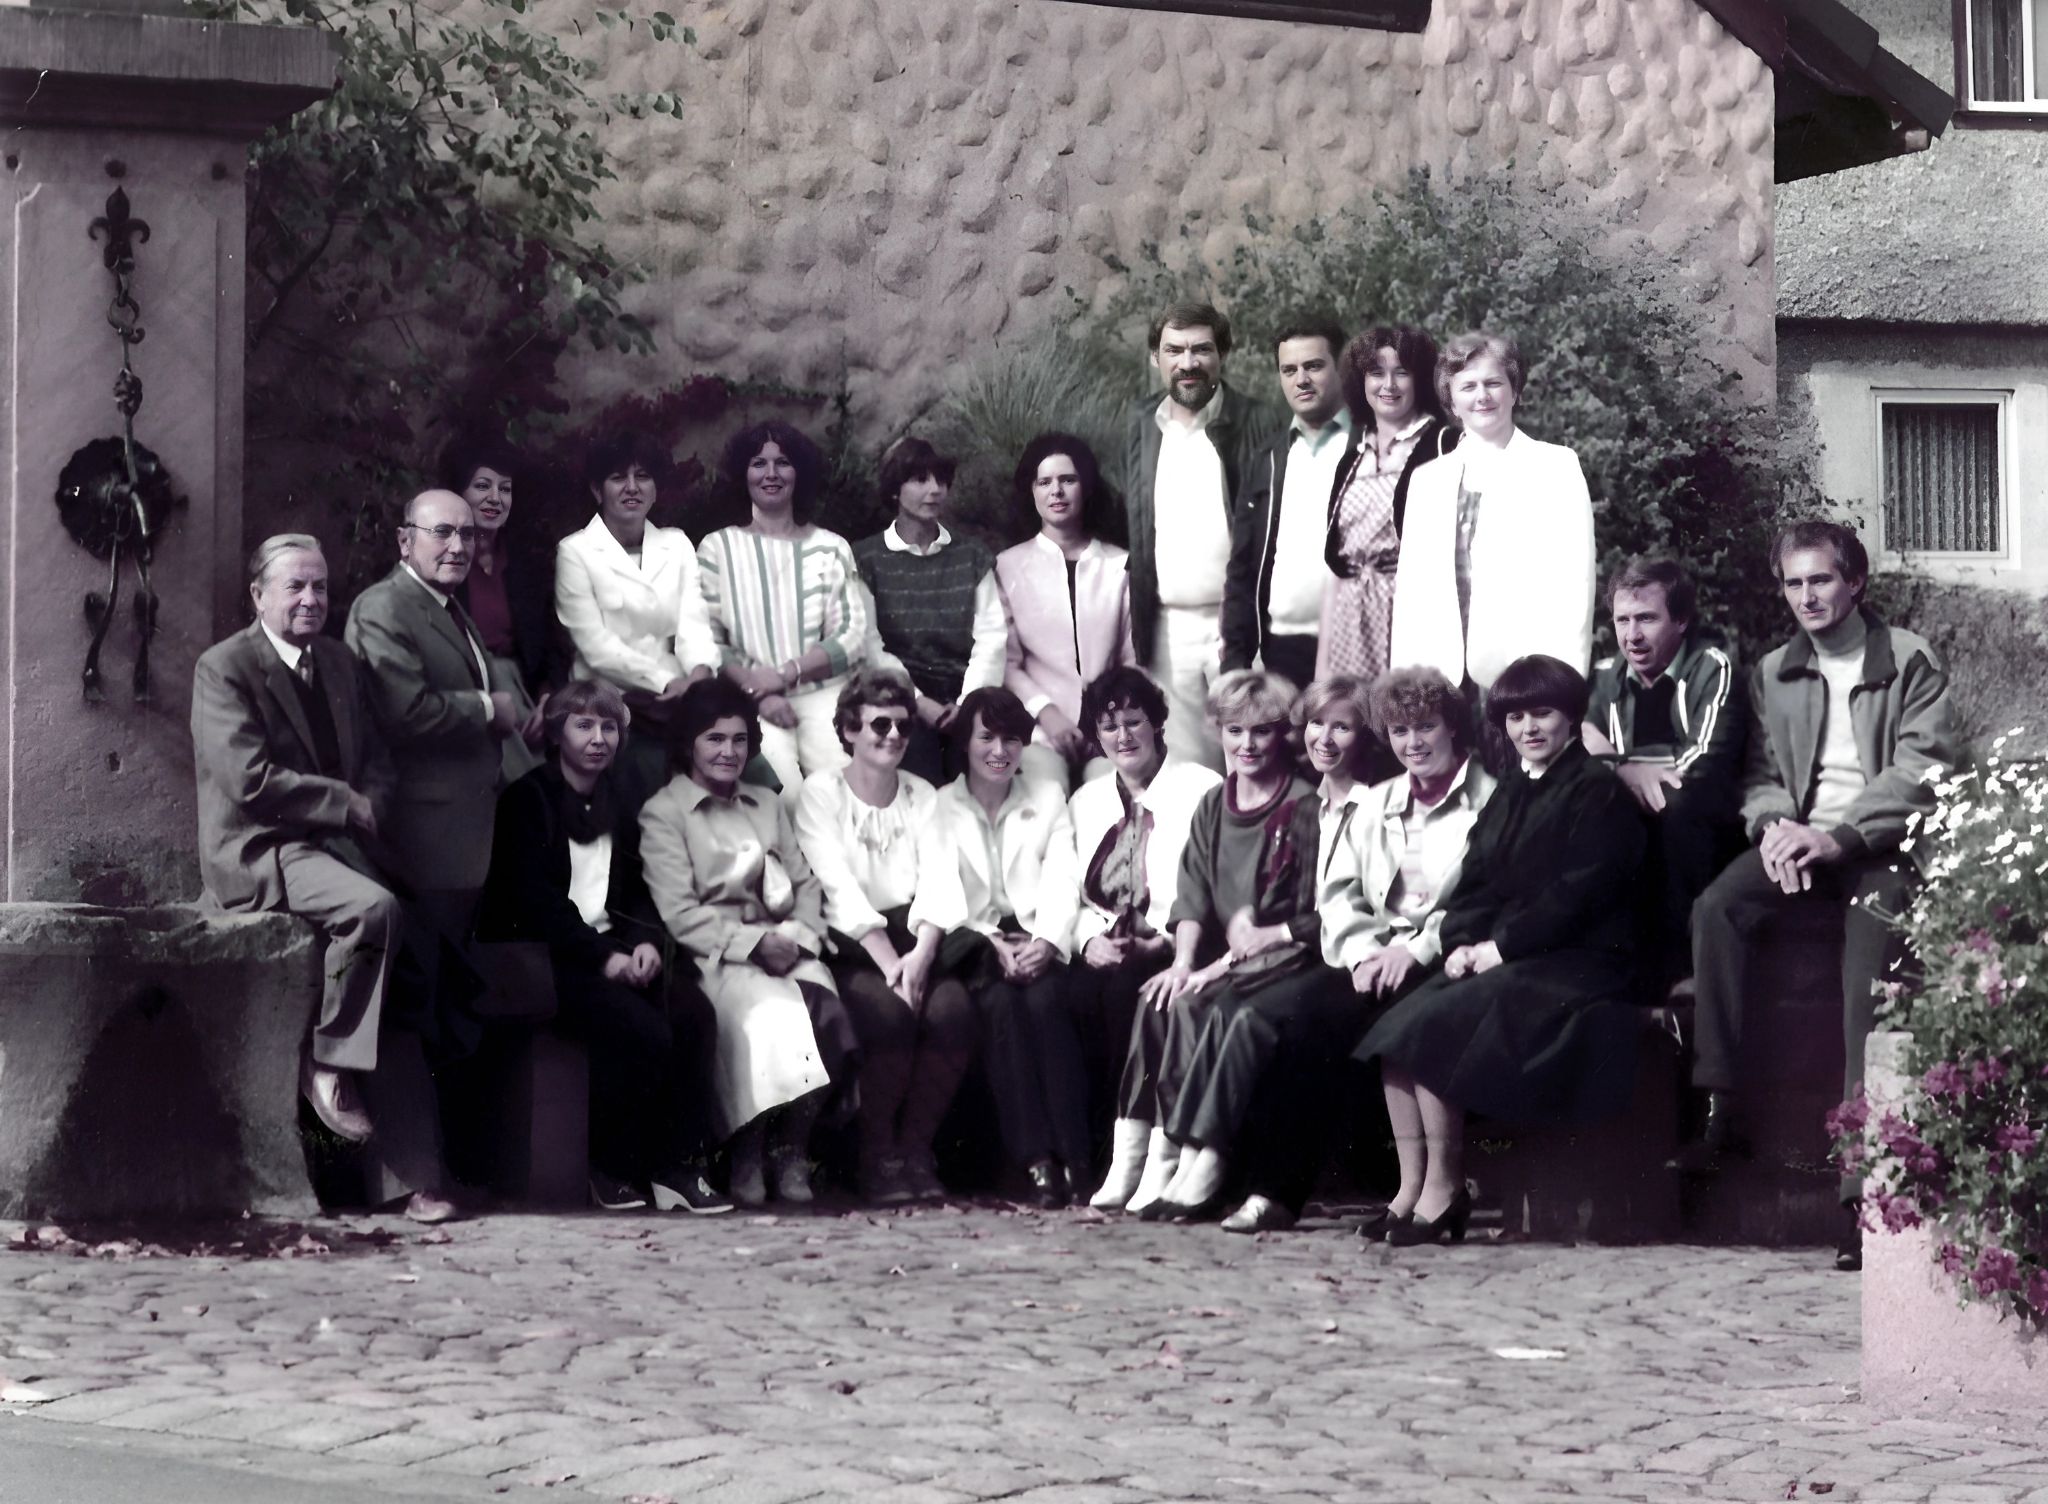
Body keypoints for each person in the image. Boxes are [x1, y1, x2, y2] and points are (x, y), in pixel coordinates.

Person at [1676, 520, 1959, 1272]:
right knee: (1719, 908)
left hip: (1879, 850)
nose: (1807, 596)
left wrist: (1839, 837)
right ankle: (1723, 1108)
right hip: (1798, 845)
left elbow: (1921, 770)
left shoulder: (1906, 660)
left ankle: (1861, 1197)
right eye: (1794, 583)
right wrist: (1773, 826)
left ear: (1855, 581)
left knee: (1866, 983)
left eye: (1822, 580)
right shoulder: (1775, 669)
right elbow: (1761, 772)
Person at [1354, 654, 1646, 1245]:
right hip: (1517, 952)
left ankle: (1446, 1186)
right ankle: (1411, 1188)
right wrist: (1460, 943)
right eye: (1515, 717)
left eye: (1543, 713)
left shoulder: (1595, 790)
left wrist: (1498, 949)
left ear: (1570, 718)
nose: (1528, 729)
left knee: (1438, 1025)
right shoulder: (1513, 786)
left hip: (1582, 959)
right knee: (1398, 1029)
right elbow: (1479, 878)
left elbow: (1578, 896)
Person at [474, 678, 732, 1215]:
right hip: (546, 959)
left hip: (608, 948)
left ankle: (677, 1167)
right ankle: (612, 1165)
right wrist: (602, 958)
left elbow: (636, 889)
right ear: (556, 732)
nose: (599, 739)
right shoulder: (527, 799)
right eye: (584, 725)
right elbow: (534, 901)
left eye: (609, 727)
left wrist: (643, 944)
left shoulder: (619, 800)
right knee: (637, 1029)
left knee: (693, 1014)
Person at [191, 535, 397, 1152]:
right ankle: (327, 1062)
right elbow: (248, 779)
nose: (312, 600)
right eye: (295, 587)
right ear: (258, 595)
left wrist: (372, 803)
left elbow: (379, 758)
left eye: (321, 587)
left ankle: (411, 1173)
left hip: (337, 842)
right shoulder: (224, 667)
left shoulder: (338, 663)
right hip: (263, 846)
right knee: (374, 910)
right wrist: (344, 803)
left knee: (431, 934)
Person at [637, 677, 858, 1206]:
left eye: (739, 740)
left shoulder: (766, 805)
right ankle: (747, 1149)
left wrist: (799, 940)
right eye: (714, 739)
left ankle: (792, 1147)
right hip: (717, 954)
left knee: (825, 1009)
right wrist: (754, 947)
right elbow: (680, 913)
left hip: (786, 944)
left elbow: (805, 884)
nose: (728, 752)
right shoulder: (664, 813)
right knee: (767, 1022)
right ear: (689, 743)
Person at [1131, 670, 1328, 1228]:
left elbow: (1299, 912)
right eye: (1234, 731)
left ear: (1282, 736)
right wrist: (1183, 963)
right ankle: (1171, 1155)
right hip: (1227, 952)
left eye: (1262, 732)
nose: (1247, 745)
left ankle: (1208, 1158)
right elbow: (1191, 893)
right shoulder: (1214, 803)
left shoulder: (1303, 806)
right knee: (1176, 1000)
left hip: (1289, 954)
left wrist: (1216, 966)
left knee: (1219, 1009)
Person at [1316, 667, 1496, 1236]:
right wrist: (1366, 952)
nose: (1412, 742)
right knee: (1360, 1014)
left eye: (1425, 727)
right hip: (1384, 952)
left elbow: (1479, 898)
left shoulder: (1486, 799)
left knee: (1415, 1016)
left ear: (1452, 729)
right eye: (1398, 731)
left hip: (1453, 949)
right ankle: (1410, 1185)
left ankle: (1444, 1183)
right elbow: (1339, 890)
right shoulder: (1377, 802)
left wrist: (1413, 952)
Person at [794, 668, 977, 1204]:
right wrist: (889, 965)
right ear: (849, 729)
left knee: (952, 1012)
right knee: (887, 1016)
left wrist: (919, 959)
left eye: (901, 726)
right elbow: (837, 885)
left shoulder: (923, 796)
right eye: (878, 725)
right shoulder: (820, 794)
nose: (893, 736)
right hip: (854, 947)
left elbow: (941, 880)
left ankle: (914, 1150)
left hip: (918, 940)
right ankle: (876, 1156)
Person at [1057, 668, 1227, 1214]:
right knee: (1074, 997)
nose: (1124, 736)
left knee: (1130, 996)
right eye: (1110, 727)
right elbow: (1069, 890)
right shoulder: (1084, 801)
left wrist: (1169, 940)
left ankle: (1140, 1158)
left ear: (1157, 725)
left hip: (1176, 944)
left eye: (1135, 722)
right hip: (1106, 942)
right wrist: (1087, 942)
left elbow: (1210, 883)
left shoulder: (1202, 787)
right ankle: (1094, 1160)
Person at [933, 687, 1083, 1206]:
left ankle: (1076, 1157)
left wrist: (1047, 941)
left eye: (1013, 739)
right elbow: (939, 889)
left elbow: (1064, 878)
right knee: (999, 1008)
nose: (1000, 751)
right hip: (976, 943)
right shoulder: (940, 807)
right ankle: (1036, 1161)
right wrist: (989, 943)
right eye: (987, 737)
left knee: (1045, 1002)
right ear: (965, 741)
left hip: (1038, 935)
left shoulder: (1046, 799)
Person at [1388, 331, 1595, 697]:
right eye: (1467, 386)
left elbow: (1575, 584)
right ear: (1451, 400)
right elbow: (1411, 594)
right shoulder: (1427, 480)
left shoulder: (1555, 466)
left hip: (1524, 677)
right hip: (1441, 682)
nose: (1481, 396)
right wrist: (1404, 684)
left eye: (1493, 383)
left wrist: (1562, 682)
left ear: (1515, 391)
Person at [1581, 555, 1746, 990]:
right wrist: (1626, 769)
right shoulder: (1603, 678)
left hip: (1707, 830)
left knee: (1675, 801)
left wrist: (1617, 764)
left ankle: (1685, 969)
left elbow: (1702, 765)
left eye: (1647, 619)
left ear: (1681, 619)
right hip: (1635, 824)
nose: (1631, 635)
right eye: (1622, 620)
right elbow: (1572, 747)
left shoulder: (1712, 668)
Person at [1122, 299, 1271, 772]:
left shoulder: (1258, 423)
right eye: (1174, 350)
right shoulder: (1139, 426)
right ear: (1155, 358)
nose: (1188, 363)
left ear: (1222, 355)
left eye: (1201, 349)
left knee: (1256, 764)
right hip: (1167, 631)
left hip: (1244, 627)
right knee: (1188, 774)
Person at [698, 421, 871, 798]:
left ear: (800, 473)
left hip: (823, 693)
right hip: (749, 697)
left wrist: (785, 674)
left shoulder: (831, 546)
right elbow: (706, 638)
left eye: (783, 463)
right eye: (759, 463)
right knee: (784, 793)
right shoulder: (717, 548)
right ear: (743, 474)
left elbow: (852, 635)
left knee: (845, 790)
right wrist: (759, 692)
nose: (771, 474)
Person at [553, 429, 718, 802]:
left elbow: (694, 621)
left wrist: (698, 674)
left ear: (656, 487)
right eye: (618, 478)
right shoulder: (576, 551)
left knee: (740, 767)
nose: (632, 487)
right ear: (598, 490)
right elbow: (596, 647)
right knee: (648, 776)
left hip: (681, 692)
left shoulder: (676, 543)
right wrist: (663, 683)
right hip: (608, 695)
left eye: (642, 476)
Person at [853, 437, 1006, 786]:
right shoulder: (866, 559)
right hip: (898, 697)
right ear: (895, 489)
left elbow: (992, 637)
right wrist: (919, 703)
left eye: (940, 481)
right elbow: (870, 646)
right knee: (918, 780)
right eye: (920, 480)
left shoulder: (972, 557)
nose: (935, 490)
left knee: (983, 777)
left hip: (967, 696)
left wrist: (967, 705)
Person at [1317, 326, 1459, 688]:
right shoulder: (1350, 461)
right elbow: (1336, 568)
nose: (1389, 385)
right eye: (1376, 373)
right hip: (1349, 628)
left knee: (1407, 726)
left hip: (1412, 618)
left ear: (1421, 379)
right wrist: (1323, 672)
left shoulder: (1444, 444)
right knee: (1354, 730)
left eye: (1402, 372)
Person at [993, 434, 1137, 791]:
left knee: (1105, 801)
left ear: (1085, 487)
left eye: (1067, 480)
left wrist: (1110, 718)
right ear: (1032, 491)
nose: (1056, 491)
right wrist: (1048, 714)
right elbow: (1007, 663)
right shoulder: (1008, 567)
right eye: (1045, 482)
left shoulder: (1119, 565)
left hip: (1111, 728)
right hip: (1036, 729)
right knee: (1044, 796)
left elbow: (1130, 658)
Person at [1219, 318, 1355, 691]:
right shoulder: (1269, 457)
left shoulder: (1371, 447)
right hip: (1281, 650)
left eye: (1313, 366)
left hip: (1359, 650)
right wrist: (1234, 660)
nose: (1301, 380)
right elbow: (1242, 567)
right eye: (1289, 370)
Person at [441, 431, 555, 785]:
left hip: (523, 690)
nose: (495, 498)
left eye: (504, 488)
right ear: (458, 494)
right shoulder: (442, 561)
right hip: (469, 690)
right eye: (482, 486)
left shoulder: (526, 564)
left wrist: (549, 700)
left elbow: (551, 646)